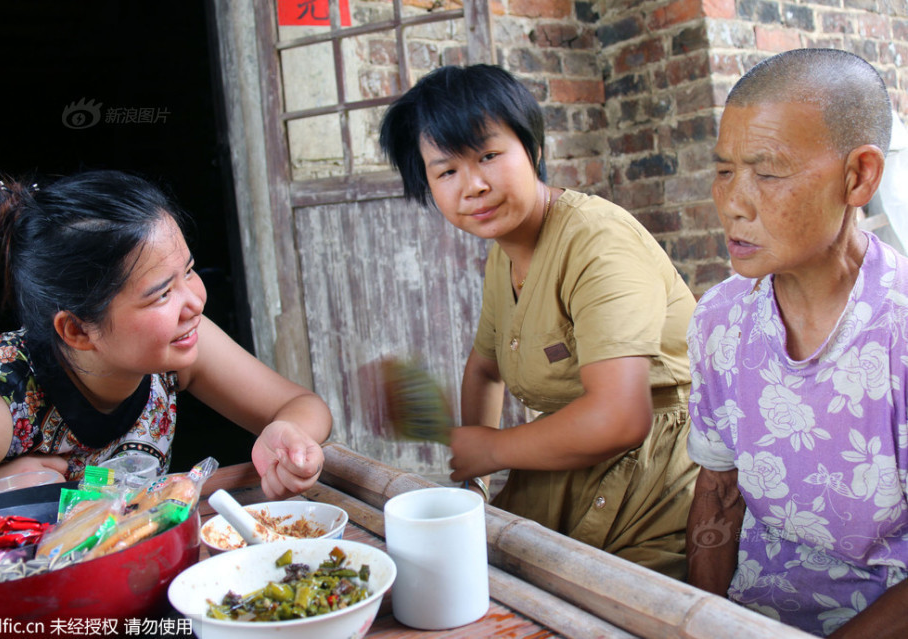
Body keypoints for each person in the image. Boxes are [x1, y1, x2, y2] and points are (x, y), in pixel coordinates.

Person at [379, 64, 698, 579]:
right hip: (560, 475)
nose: (474, 186)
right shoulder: (504, 255)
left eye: (488, 156)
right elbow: (484, 368)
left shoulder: (598, 242)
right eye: (446, 171)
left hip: (655, 489)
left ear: (534, 150)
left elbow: (621, 417)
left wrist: (490, 449)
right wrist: (475, 484)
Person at [685, 48, 907, 637]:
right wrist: (702, 624)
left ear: (858, 176)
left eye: (769, 171)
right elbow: (719, 490)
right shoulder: (720, 321)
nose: (732, 201)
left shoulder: (899, 332)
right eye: (725, 169)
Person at [0, 170, 332, 504]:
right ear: (77, 330)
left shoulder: (181, 339)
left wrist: (288, 433)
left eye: (188, 271)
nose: (195, 302)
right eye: (162, 294)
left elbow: (301, 402)